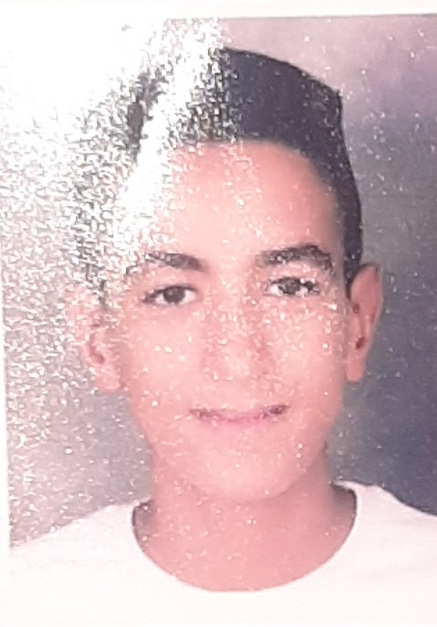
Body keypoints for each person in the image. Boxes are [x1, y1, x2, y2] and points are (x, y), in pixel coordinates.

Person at [6, 46, 437, 625]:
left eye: (289, 287)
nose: (238, 359)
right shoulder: (27, 600)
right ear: (98, 340)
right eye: (172, 294)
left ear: (357, 322)